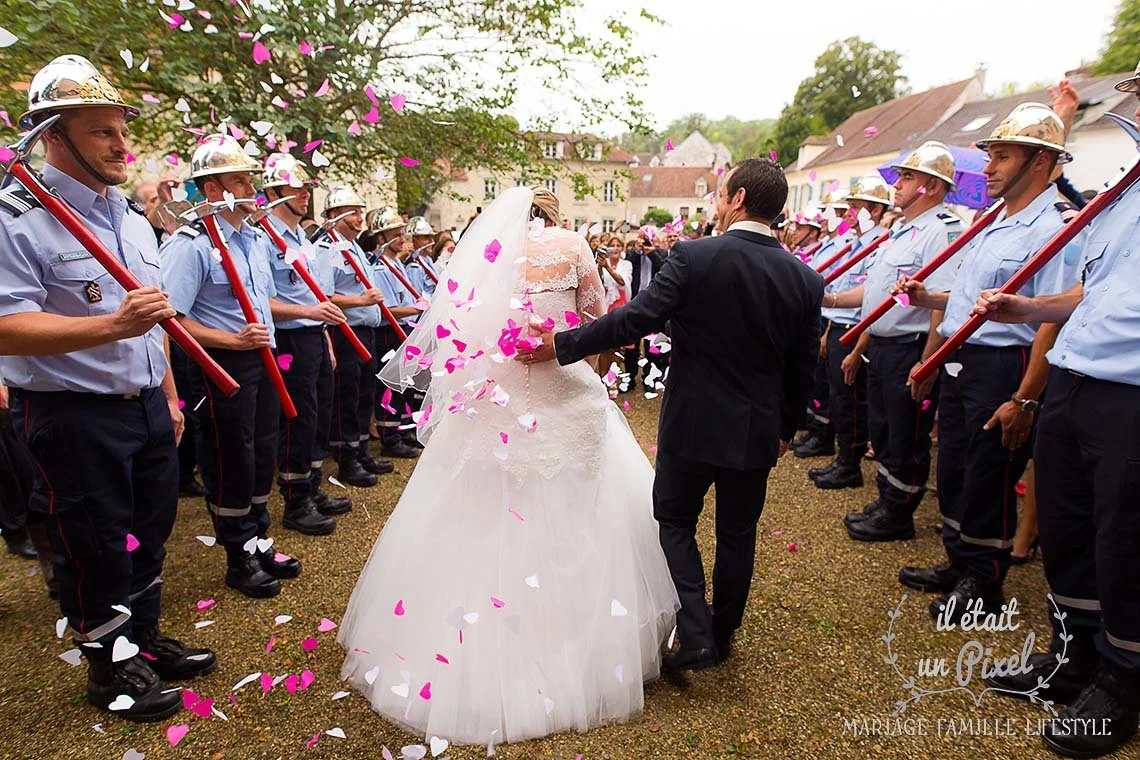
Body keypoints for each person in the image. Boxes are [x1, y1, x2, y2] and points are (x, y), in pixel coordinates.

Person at [338, 186, 678, 745]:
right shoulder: (573, 246)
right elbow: (597, 321)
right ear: (552, 215)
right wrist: (589, 368)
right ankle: (583, 641)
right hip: (563, 389)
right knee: (582, 507)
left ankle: (467, 641)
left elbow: (459, 336)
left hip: (495, 399)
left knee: (479, 510)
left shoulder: (478, 259)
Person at [522, 158, 823, 672]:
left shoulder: (695, 256)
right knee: (738, 532)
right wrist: (785, 428)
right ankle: (722, 634)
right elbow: (803, 367)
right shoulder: (805, 279)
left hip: (692, 421)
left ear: (740, 198)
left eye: (721, 193)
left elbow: (635, 319)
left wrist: (561, 345)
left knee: (675, 520)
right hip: (756, 429)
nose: (717, 202)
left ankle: (697, 632)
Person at [0, 54, 213, 722]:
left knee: (149, 533)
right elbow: (6, 326)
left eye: (124, 130)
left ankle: (141, 639)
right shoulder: (19, 214)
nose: (123, 145)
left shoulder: (126, 215)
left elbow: (154, 322)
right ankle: (109, 666)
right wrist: (108, 325)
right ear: (53, 136)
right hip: (73, 413)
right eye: (102, 133)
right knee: (93, 542)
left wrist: (171, 397)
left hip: (147, 404)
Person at [968, 61, 1140, 759]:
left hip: (1131, 391)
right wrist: (1029, 307)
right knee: (1068, 528)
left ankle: (1125, 678)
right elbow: (1092, 290)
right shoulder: (1125, 190)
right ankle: (1074, 658)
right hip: (1073, 377)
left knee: (1125, 539)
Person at [892, 104, 1082, 622]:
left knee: (988, 473)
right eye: (990, 156)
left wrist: (1025, 396)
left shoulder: (1057, 225)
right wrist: (929, 299)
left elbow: (1052, 316)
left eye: (1003, 156)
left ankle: (984, 579)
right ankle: (960, 560)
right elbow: (972, 299)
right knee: (955, 466)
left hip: (1005, 362)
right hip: (966, 358)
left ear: (1040, 161)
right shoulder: (994, 219)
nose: (989, 168)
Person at [161, 133, 302, 598]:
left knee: (263, 449)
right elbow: (172, 319)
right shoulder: (191, 244)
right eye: (241, 181)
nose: (252, 191)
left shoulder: (253, 239)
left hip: (260, 360)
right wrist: (231, 339)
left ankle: (258, 537)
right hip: (219, 364)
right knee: (230, 456)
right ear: (215, 189)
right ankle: (237, 554)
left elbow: (264, 301)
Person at [261, 153, 351, 529]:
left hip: (314, 338)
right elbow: (262, 300)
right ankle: (295, 500)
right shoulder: (263, 237)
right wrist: (309, 316)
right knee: (296, 420)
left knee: (317, 416)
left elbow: (316, 298)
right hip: (289, 342)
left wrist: (325, 337)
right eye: (296, 188)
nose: (304, 195)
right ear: (275, 191)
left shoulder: (302, 239)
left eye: (306, 188)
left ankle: (312, 486)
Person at [809, 173, 892, 489]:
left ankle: (849, 463)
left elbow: (870, 294)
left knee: (851, 399)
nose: (847, 215)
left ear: (874, 209)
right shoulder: (853, 242)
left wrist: (830, 302)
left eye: (855, 208)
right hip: (839, 323)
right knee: (838, 395)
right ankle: (843, 458)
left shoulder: (879, 243)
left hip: (858, 329)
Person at [319, 186, 392, 486]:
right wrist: (360, 301)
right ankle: (347, 458)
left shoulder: (354, 248)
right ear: (336, 215)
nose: (360, 217)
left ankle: (360, 450)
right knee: (347, 396)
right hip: (345, 330)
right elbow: (324, 295)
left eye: (361, 211)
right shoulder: (328, 248)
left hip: (365, 330)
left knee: (364, 393)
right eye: (354, 211)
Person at [792, 194, 857, 461]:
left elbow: (838, 290)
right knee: (818, 383)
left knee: (838, 392)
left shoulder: (847, 244)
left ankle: (834, 446)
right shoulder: (829, 245)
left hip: (838, 321)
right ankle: (816, 430)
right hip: (823, 315)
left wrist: (827, 328)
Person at [368, 206, 424, 458]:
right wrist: (415, 307)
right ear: (381, 238)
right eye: (396, 234)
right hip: (388, 331)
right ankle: (389, 437)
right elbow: (388, 309)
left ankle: (402, 430)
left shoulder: (395, 264)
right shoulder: (380, 267)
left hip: (403, 327)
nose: (403, 240)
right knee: (389, 385)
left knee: (403, 382)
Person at [404, 216, 439, 297]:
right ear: (414, 239)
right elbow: (418, 298)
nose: (432, 242)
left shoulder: (428, 260)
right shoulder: (414, 268)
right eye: (426, 238)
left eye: (432, 237)